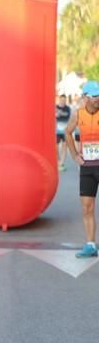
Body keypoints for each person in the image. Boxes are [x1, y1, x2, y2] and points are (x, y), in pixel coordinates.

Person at [65, 80, 99, 258]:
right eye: (93, 96)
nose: (97, 99)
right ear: (85, 97)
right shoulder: (78, 114)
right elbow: (67, 132)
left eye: (98, 95)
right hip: (87, 167)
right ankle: (91, 244)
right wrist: (74, 155)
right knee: (87, 207)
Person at [56, 94, 72, 172]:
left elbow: (67, 116)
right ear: (59, 100)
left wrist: (59, 113)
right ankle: (58, 161)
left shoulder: (68, 108)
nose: (63, 102)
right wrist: (57, 113)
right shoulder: (55, 107)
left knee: (64, 146)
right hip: (56, 130)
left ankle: (62, 163)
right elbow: (53, 115)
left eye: (64, 100)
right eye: (62, 100)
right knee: (55, 146)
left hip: (65, 130)